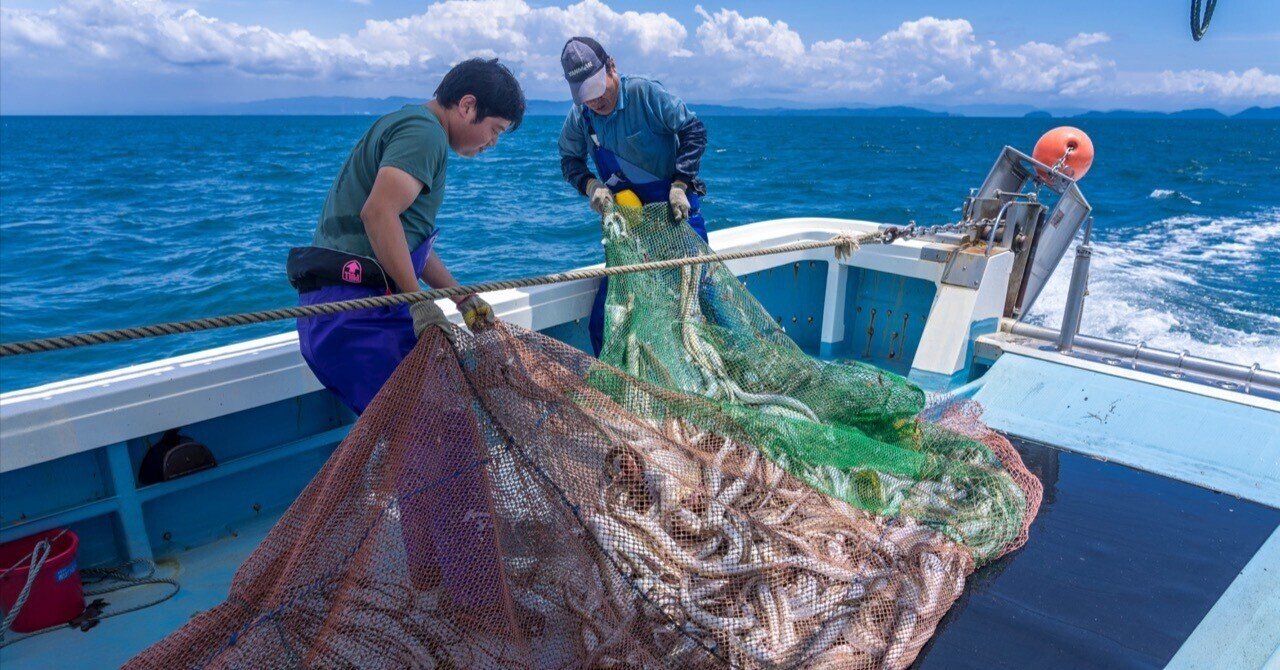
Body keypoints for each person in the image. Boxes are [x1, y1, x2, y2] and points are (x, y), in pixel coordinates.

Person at [287, 58, 525, 414]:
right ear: (467, 105)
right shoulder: (424, 134)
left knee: (422, 439)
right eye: (496, 130)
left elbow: (408, 241)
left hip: (335, 316)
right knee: (443, 433)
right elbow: (379, 214)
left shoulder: (412, 125)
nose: (492, 142)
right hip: (357, 316)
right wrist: (420, 303)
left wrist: (463, 298)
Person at [557, 37, 709, 356]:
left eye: (598, 89)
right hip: (629, 235)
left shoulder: (645, 93)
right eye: (586, 96)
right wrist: (591, 186)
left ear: (612, 67)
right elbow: (569, 160)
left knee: (698, 309)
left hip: (676, 216)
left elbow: (693, 130)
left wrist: (680, 184)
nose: (595, 101)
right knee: (604, 322)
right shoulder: (580, 117)